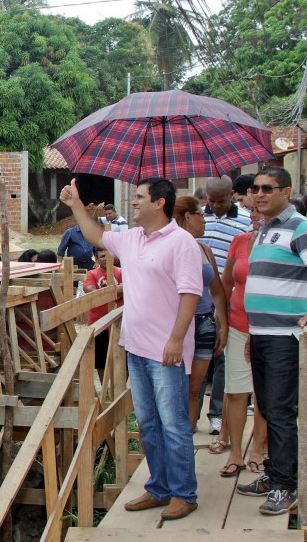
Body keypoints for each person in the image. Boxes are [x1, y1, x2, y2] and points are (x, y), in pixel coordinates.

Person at [60, 177, 202, 521]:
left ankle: (185, 493)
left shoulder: (181, 243)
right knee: (150, 423)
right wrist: (76, 206)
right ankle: (159, 487)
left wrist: (176, 339)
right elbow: (96, 236)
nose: (133, 202)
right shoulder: (133, 238)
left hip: (166, 350)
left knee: (173, 424)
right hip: (136, 347)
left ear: (159, 204)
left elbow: (191, 294)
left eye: (139, 197)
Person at [236, 166, 307, 516]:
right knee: (266, 406)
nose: (259, 194)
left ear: (286, 191)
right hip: (262, 334)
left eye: (268, 188)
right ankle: (274, 474)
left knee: (279, 411)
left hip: (283, 337)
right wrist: (253, 333)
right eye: (256, 189)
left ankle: (284, 486)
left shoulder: (301, 227)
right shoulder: (263, 230)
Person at [197, 176, 251, 435]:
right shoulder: (198, 218)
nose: (216, 206)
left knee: (222, 357)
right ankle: (191, 416)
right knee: (198, 356)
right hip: (199, 297)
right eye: (212, 201)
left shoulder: (245, 221)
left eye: (222, 201)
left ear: (232, 195)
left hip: (227, 297)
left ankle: (216, 413)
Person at [171, 196, 228, 439]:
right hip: (175, 324)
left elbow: (216, 288)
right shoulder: (169, 247)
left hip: (204, 322)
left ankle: (189, 434)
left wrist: (222, 323)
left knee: (195, 386)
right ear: (186, 217)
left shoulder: (204, 249)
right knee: (176, 385)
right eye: (201, 214)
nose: (205, 219)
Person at [219, 207, 269, 477]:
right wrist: (222, 321)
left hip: (269, 328)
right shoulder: (239, 242)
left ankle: (258, 449)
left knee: (264, 393)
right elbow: (227, 283)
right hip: (238, 324)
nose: (255, 215)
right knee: (237, 390)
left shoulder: (280, 244)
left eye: (261, 212)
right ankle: (235, 452)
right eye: (253, 211)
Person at [82, 245, 123, 375]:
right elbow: (89, 290)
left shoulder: (121, 272)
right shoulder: (92, 274)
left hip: (121, 322)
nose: (106, 258)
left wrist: (103, 293)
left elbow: (127, 288)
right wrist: (116, 291)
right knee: (101, 361)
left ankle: (119, 391)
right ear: (96, 259)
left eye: (109, 255)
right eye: (102, 256)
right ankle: (106, 393)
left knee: (124, 360)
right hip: (99, 323)